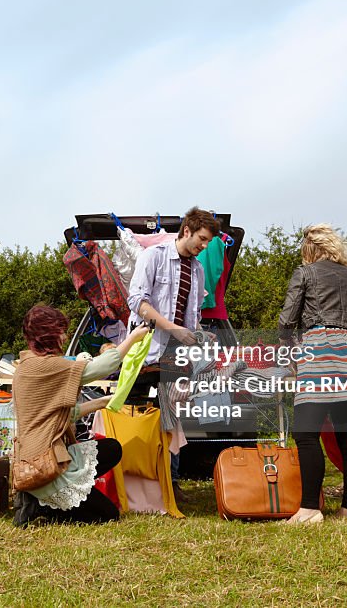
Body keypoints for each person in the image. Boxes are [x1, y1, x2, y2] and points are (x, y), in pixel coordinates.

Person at [12, 304, 150, 526]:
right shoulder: (47, 366)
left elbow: (63, 415)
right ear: (48, 334)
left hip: (39, 457)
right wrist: (132, 338)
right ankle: (40, 504)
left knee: (111, 448)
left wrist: (102, 402)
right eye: (61, 331)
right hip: (43, 464)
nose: (65, 337)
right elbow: (101, 367)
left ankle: (41, 500)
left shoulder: (29, 365)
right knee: (108, 516)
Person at [278, 224, 347, 523]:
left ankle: (310, 509)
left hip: (318, 351)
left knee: (306, 434)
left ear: (310, 249)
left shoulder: (305, 273)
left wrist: (292, 347)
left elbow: (286, 321)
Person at [127, 207, 220, 497]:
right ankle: (133, 477)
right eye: (202, 239)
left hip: (178, 353)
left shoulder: (199, 269)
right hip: (146, 349)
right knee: (134, 413)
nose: (204, 246)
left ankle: (171, 481)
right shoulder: (153, 257)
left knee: (173, 415)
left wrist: (199, 335)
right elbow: (137, 302)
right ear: (187, 231)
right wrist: (173, 329)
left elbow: (193, 318)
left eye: (208, 242)